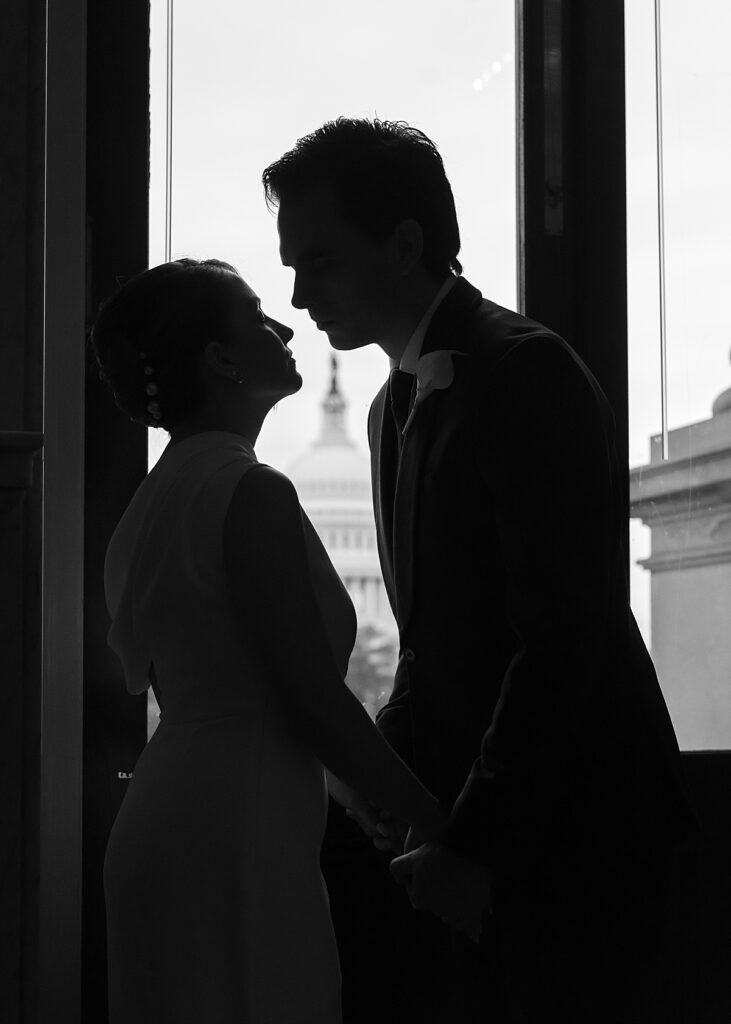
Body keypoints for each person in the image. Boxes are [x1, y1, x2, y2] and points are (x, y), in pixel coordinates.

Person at [263, 118, 697, 1023]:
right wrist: (388, 779)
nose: (297, 295)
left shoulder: (524, 372)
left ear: (406, 243)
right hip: (471, 833)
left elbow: (561, 636)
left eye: (318, 261)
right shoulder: (393, 408)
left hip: (579, 830)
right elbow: (430, 643)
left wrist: (476, 846)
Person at [92, 257, 447, 1024]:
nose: (283, 326)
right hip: (233, 831)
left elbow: (228, 687)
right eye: (256, 317)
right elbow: (307, 697)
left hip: (180, 816)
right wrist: (436, 819)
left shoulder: (154, 502)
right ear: (220, 359)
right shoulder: (249, 490)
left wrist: (353, 794)